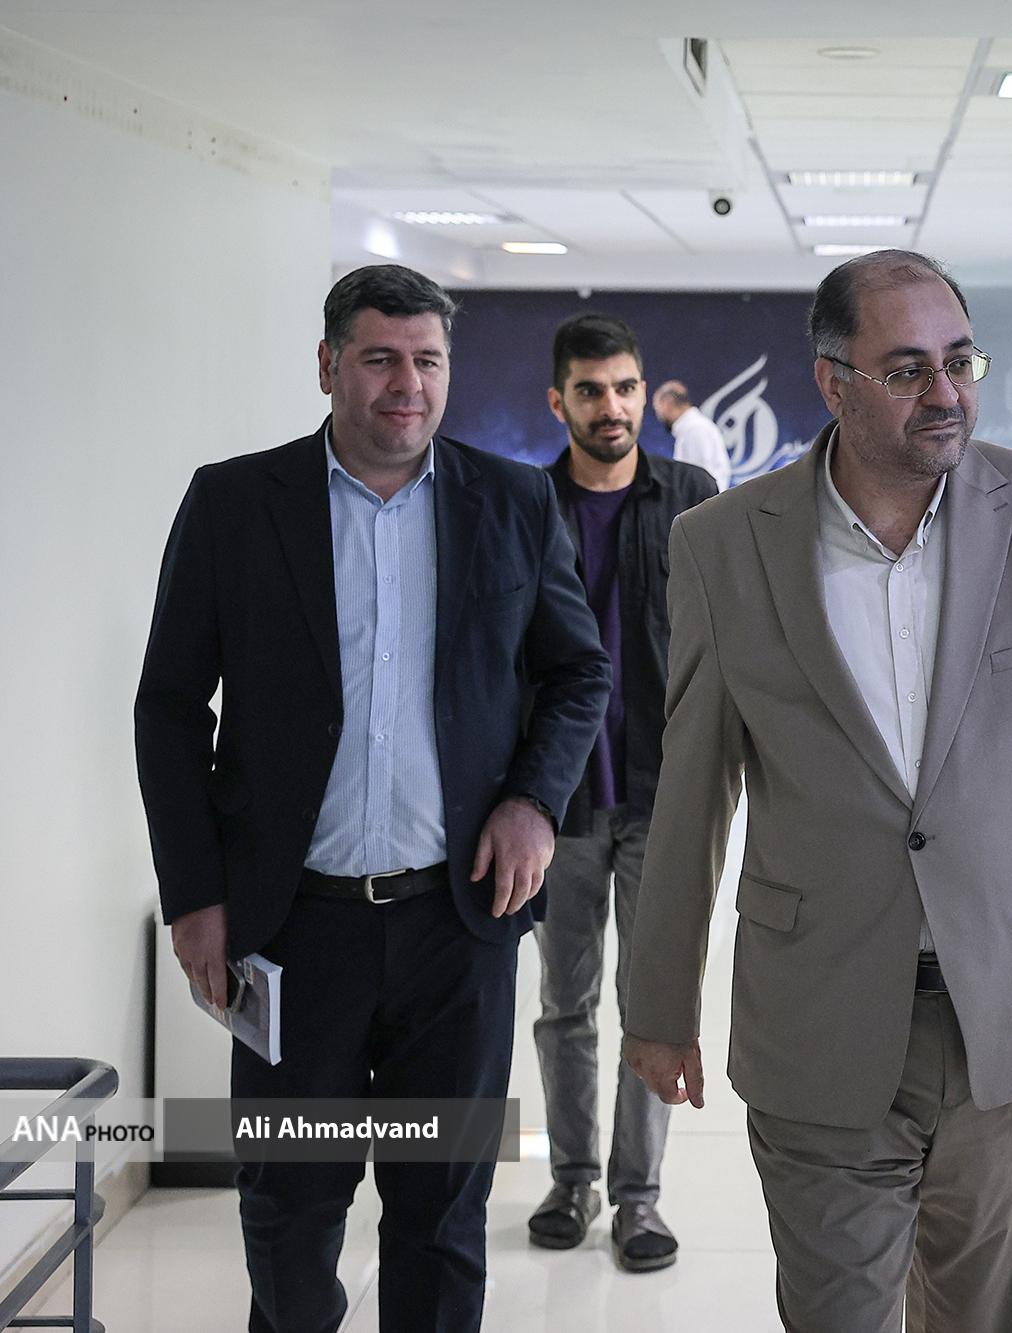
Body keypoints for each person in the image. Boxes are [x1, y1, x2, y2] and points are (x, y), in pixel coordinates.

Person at [620, 249, 1012, 1333]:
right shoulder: (723, 544)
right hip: (816, 1013)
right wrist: (659, 1006)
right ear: (832, 381)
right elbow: (692, 793)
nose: (945, 392)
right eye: (906, 369)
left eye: (959, 361)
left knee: (982, 1312)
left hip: (1008, 1007)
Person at [134, 264, 610, 1333]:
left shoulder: (512, 500)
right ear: (328, 365)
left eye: (428, 360)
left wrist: (533, 800)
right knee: (288, 1208)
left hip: (458, 925)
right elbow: (168, 708)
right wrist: (194, 895)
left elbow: (578, 671)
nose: (408, 384)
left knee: (442, 1214)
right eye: (381, 358)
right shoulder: (235, 504)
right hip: (289, 928)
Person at [526, 313, 716, 1269]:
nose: (613, 406)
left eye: (627, 387)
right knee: (565, 1003)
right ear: (557, 400)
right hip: (556, 804)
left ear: (646, 392)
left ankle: (639, 1197)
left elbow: (725, 644)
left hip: (661, 797)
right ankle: (572, 1179)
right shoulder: (525, 505)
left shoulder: (691, 500)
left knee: (652, 1005)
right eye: (591, 390)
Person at [652, 379, 732, 492]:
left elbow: (700, 478)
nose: (659, 415)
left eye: (657, 408)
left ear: (667, 404)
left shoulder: (695, 429)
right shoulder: (692, 428)